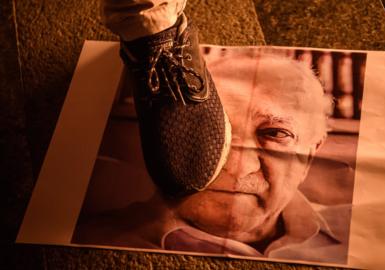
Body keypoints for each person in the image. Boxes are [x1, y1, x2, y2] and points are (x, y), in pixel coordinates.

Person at [72, 0, 351, 264]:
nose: (239, 169)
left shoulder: (346, 232)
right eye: (215, 123)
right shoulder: (95, 232)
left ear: (311, 154)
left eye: (276, 133)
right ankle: (152, 27)